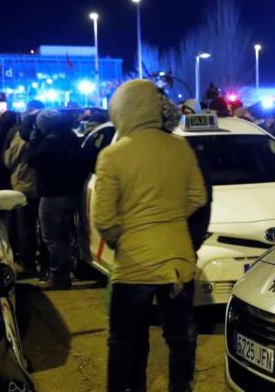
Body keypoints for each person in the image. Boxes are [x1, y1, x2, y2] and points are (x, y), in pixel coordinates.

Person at [91, 80, 206, 392]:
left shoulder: (113, 156)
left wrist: (124, 238)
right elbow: (197, 197)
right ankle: (180, 387)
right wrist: (168, 220)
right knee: (179, 337)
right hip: (177, 262)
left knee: (124, 340)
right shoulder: (180, 147)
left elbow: (103, 218)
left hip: (134, 264)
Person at [23, 109, 87, 289]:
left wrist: (34, 140)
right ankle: (63, 274)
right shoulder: (70, 137)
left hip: (53, 195)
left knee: (53, 237)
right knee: (64, 237)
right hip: (70, 193)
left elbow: (31, 160)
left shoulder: (50, 142)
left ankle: (59, 277)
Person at [3, 113, 43, 277]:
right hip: (41, 187)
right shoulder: (43, 136)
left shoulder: (19, 138)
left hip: (23, 187)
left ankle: (28, 263)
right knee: (40, 227)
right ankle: (43, 264)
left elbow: (9, 161)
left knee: (25, 227)